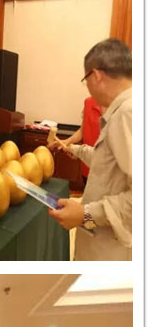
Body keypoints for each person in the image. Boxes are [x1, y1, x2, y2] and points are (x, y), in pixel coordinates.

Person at [49, 38, 132, 261]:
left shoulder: (128, 113)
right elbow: (109, 165)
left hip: (112, 252)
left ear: (96, 76)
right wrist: (75, 149)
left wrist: (85, 213)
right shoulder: (125, 109)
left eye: (85, 80)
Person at [51, 97, 102, 181]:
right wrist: (67, 141)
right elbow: (83, 129)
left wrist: (78, 151)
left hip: (103, 170)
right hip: (86, 167)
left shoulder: (118, 106)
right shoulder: (88, 102)